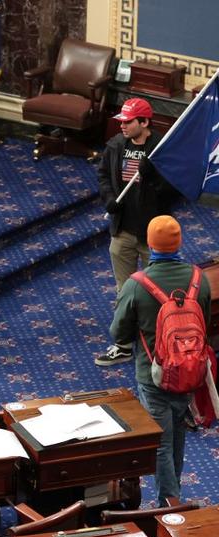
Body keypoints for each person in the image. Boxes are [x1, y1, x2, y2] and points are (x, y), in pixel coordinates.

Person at [109, 216, 211, 506]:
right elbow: (205, 322)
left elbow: (119, 333)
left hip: (154, 374)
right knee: (178, 431)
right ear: (179, 242)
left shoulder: (136, 284)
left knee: (161, 440)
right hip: (191, 371)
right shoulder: (198, 278)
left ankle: (171, 502)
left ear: (150, 244)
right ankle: (174, 492)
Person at [95, 97, 180, 366]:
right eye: (121, 121)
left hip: (152, 236)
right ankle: (122, 345)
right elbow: (104, 176)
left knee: (159, 292)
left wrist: (153, 176)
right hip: (122, 232)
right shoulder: (116, 145)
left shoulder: (162, 150)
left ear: (144, 122)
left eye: (128, 122)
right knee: (125, 291)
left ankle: (160, 346)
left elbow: (174, 191)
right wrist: (109, 197)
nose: (122, 126)